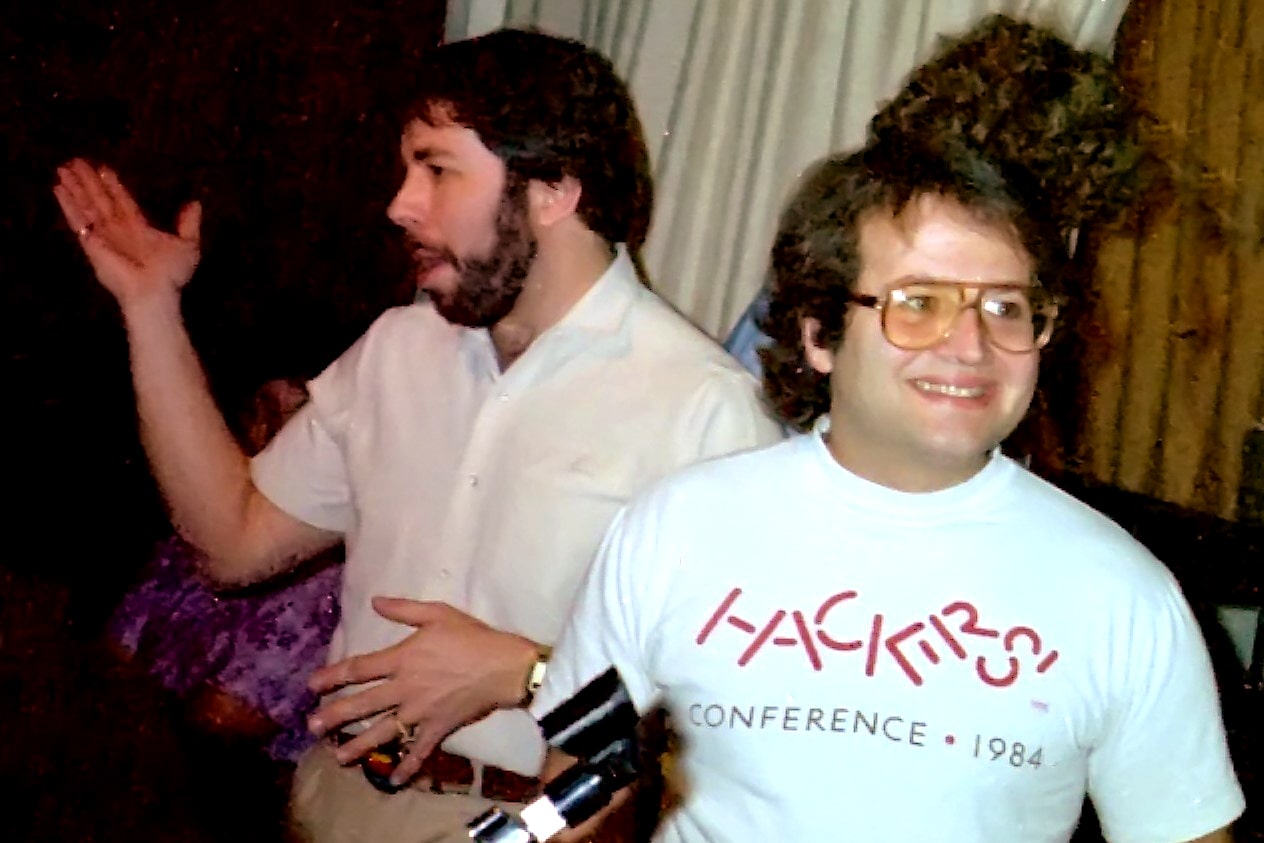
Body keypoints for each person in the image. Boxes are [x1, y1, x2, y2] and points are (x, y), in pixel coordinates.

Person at [54, 26, 782, 842]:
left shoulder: (703, 409)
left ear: (553, 190)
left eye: (436, 168)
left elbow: (736, 709)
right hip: (332, 801)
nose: (399, 203)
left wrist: (531, 672)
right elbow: (231, 540)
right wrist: (150, 311)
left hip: (537, 822)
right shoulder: (398, 347)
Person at [533, 17, 1245, 843]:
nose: (970, 344)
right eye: (920, 302)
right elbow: (574, 792)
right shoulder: (669, 529)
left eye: (1006, 306)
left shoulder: (1128, 598)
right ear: (818, 332)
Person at [108, 377, 342, 764]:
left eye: (298, 420)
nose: (268, 432)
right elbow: (114, 656)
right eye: (261, 412)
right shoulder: (190, 544)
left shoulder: (326, 584)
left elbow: (222, 725)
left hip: (229, 789)